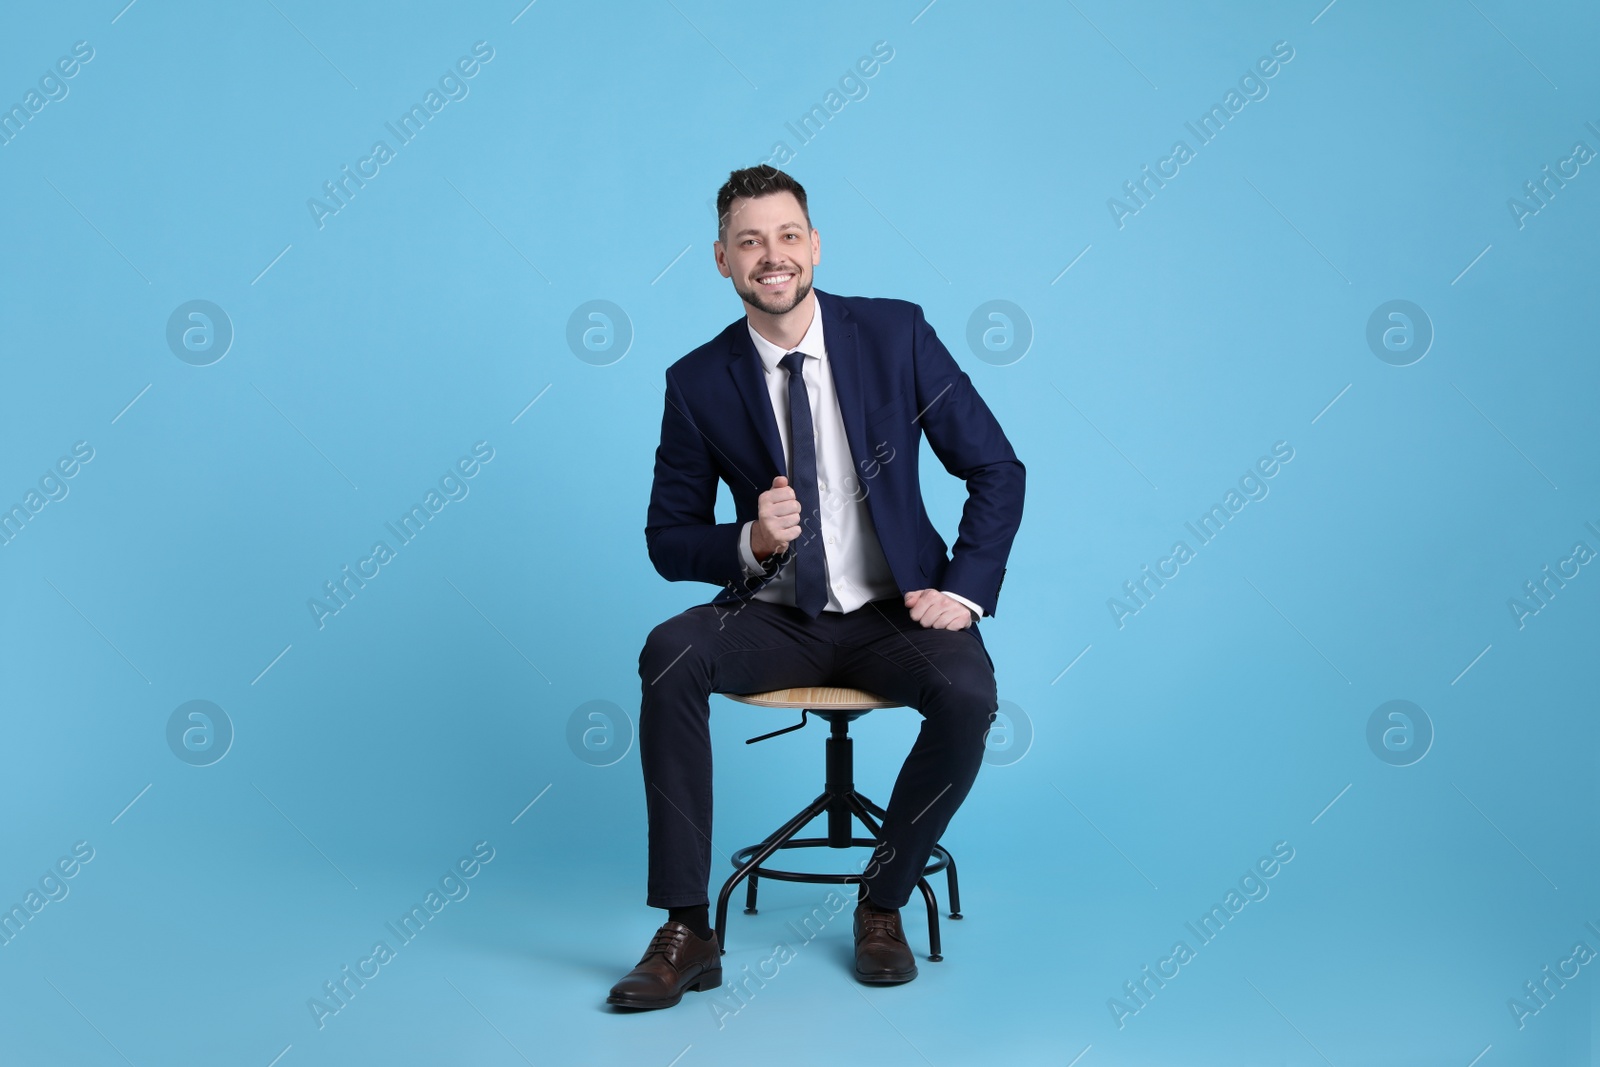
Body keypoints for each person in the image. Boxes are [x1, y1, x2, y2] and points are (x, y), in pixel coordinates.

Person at [607, 165, 1024, 1011]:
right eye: (751, 241)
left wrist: (965, 591)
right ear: (722, 259)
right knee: (669, 652)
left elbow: (996, 468)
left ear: (815, 245)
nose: (773, 256)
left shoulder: (895, 335)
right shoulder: (696, 381)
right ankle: (688, 929)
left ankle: (882, 901)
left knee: (969, 690)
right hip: (779, 617)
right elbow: (666, 539)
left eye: (788, 235)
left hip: (893, 615)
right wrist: (750, 539)